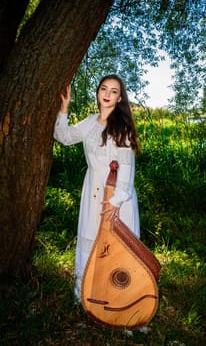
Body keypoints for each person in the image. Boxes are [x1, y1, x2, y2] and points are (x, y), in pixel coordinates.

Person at [54, 74, 140, 302]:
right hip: (92, 191)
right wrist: (64, 110)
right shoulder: (90, 122)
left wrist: (115, 202)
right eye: (104, 89)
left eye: (114, 91)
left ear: (120, 98)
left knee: (117, 246)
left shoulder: (123, 128)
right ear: (98, 92)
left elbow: (127, 167)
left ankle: (120, 300)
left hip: (116, 197)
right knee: (91, 240)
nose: (107, 94)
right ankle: (87, 296)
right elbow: (63, 136)